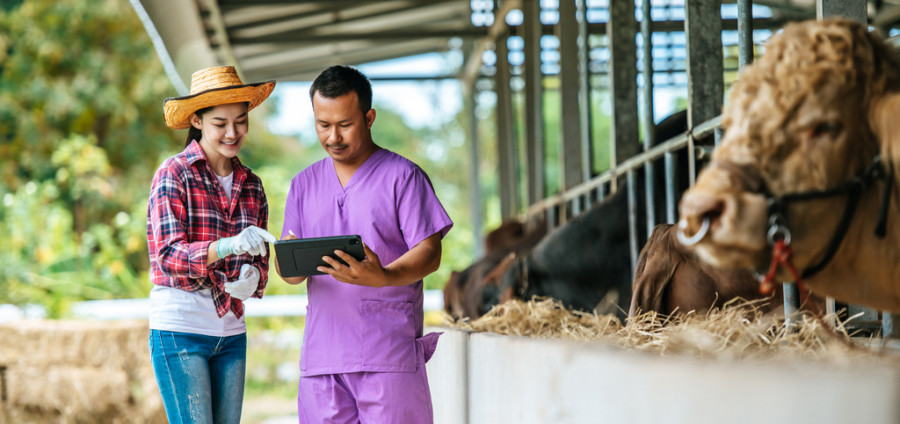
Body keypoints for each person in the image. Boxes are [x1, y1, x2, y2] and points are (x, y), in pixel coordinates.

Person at [276, 65, 453, 423]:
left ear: (369, 117)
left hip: (386, 356)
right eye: (323, 125)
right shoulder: (303, 184)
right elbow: (291, 272)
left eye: (345, 124)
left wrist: (384, 275)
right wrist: (287, 264)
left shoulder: (403, 177)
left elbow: (430, 251)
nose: (333, 137)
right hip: (322, 362)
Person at [147, 65, 278, 424]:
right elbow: (169, 255)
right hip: (181, 330)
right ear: (198, 121)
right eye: (221, 123)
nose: (233, 132)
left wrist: (254, 274)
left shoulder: (253, 185)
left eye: (241, 120)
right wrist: (226, 247)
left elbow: (261, 255)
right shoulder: (174, 174)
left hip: (231, 332)